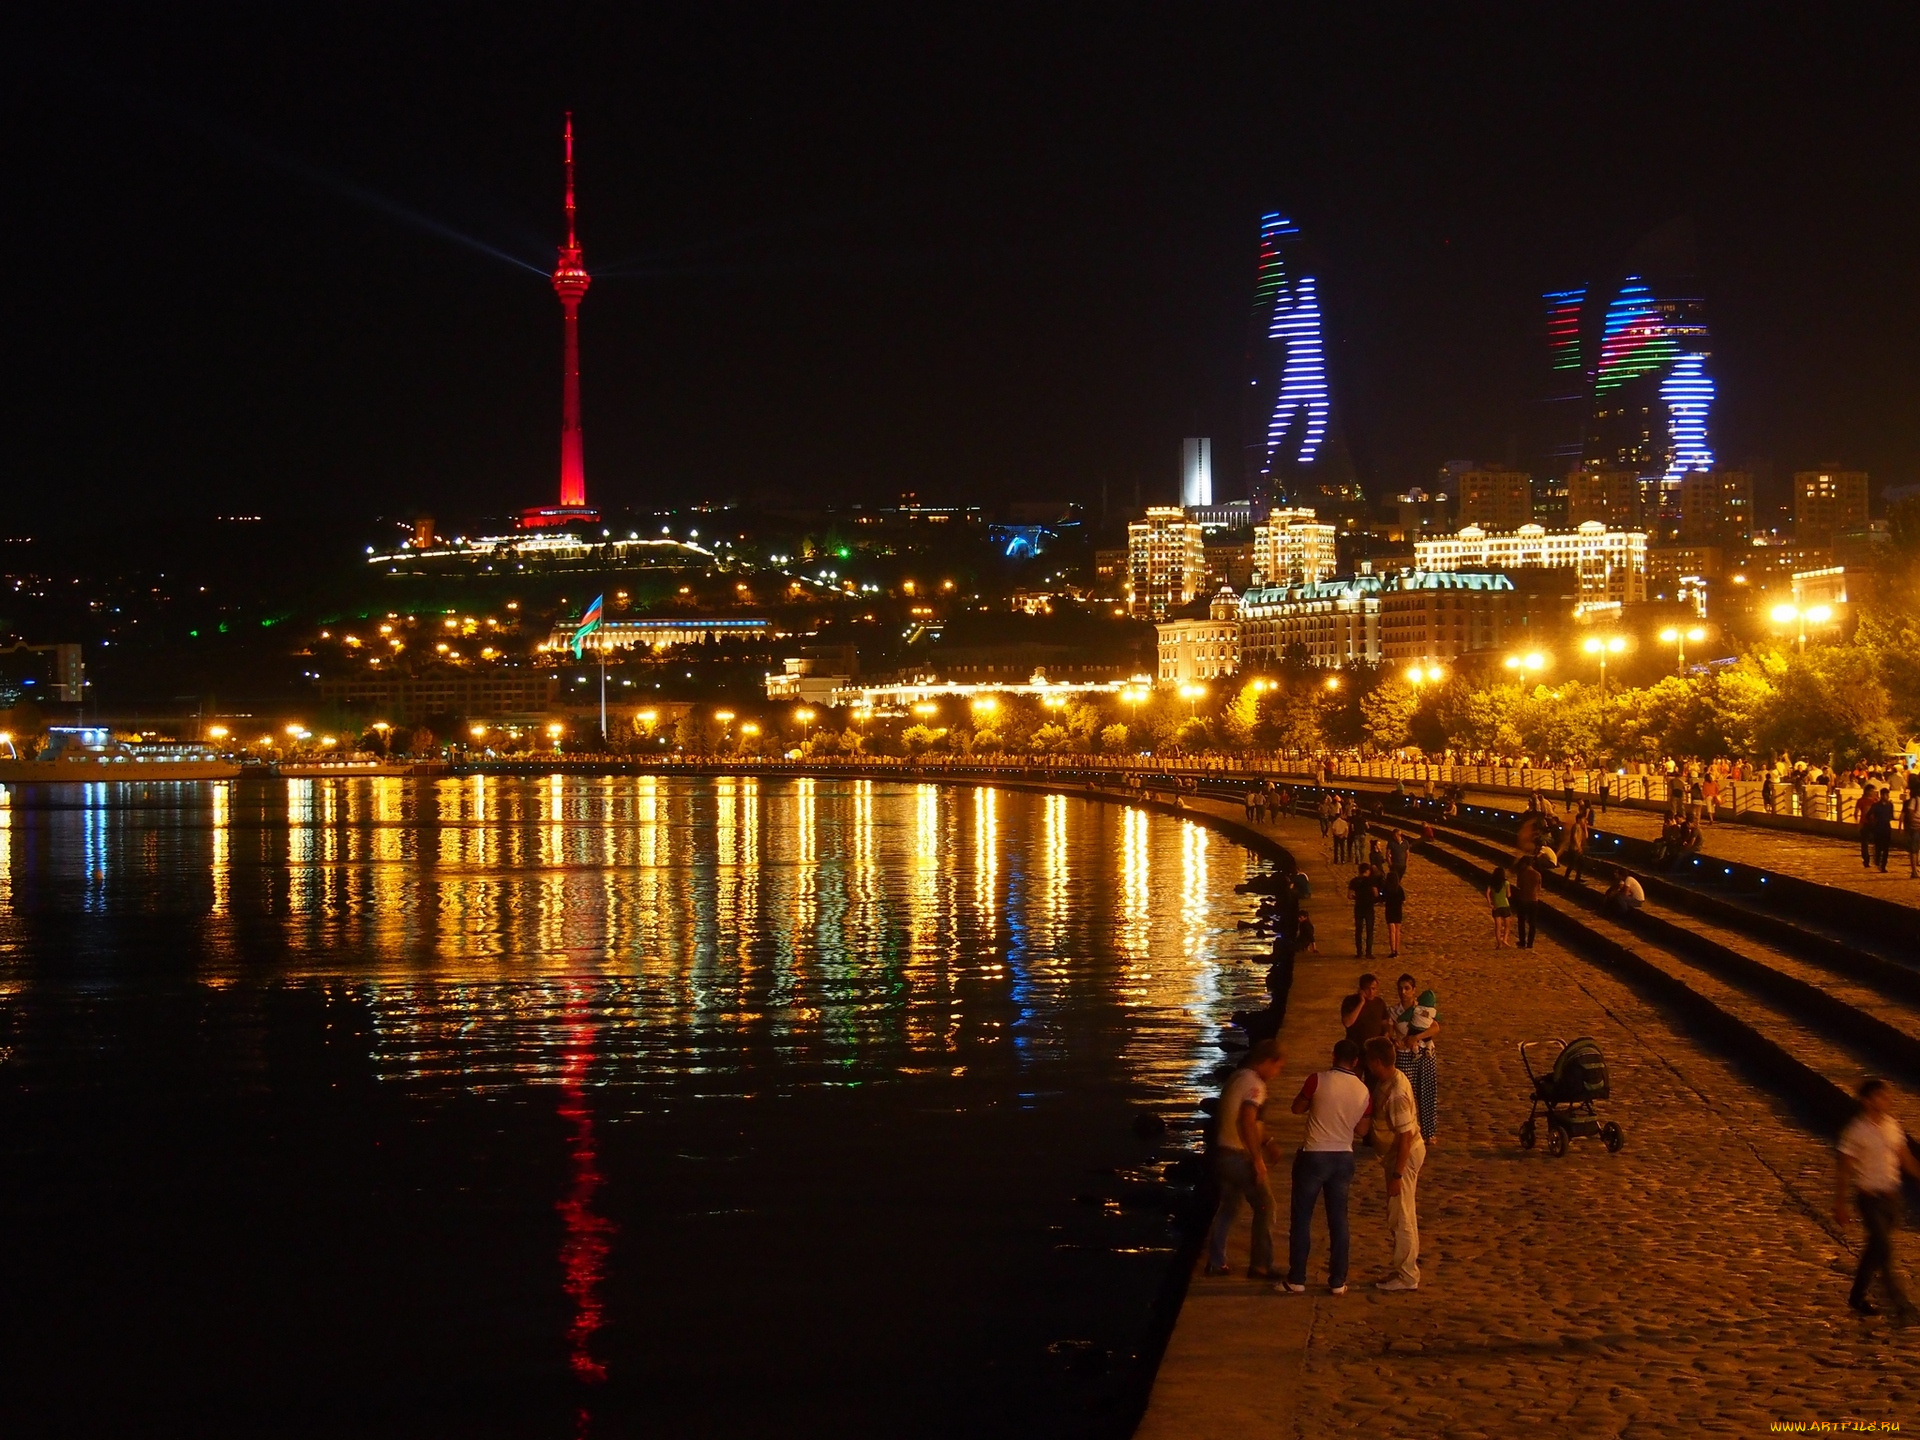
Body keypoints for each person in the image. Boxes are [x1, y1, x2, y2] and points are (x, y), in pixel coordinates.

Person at [1279, 1039, 1373, 1295]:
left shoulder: (1316, 1080)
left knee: (1302, 1218)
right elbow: (1363, 1129)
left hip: (1314, 1155)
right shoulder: (1364, 1091)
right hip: (1343, 1156)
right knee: (1339, 1219)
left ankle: (1297, 1278)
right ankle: (1338, 1281)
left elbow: (1296, 1108)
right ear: (1355, 1062)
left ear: (1333, 1056)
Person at [1836, 1077, 1920, 1318]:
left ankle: (1857, 1296)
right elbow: (1845, 1168)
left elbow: (1906, 1159)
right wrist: (1840, 1203)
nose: (1887, 1100)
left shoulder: (1892, 1126)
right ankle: (1901, 1304)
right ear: (1867, 1100)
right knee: (1883, 1247)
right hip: (1869, 1199)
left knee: (1874, 1250)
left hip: (1892, 1199)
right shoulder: (1856, 1131)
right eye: (1881, 1096)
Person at [1205, 1038, 1287, 1279]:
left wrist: (1269, 1142)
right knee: (1265, 1205)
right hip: (1236, 1156)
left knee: (1230, 1206)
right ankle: (1260, 1265)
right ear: (1268, 1062)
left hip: (1219, 1153)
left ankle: (1216, 1261)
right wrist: (1257, 1159)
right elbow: (1248, 1120)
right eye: (1278, 1067)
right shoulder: (1256, 1085)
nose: (1277, 1073)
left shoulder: (1237, 1077)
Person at [1362, 1036, 1425, 1291]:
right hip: (1398, 1155)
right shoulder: (1390, 1081)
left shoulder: (1396, 1091)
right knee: (1401, 1214)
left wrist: (1397, 1175)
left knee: (1402, 1216)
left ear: (1377, 1062)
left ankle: (1407, 1275)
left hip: (1403, 1157)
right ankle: (1403, 1269)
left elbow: (1405, 1135)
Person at [1390, 974, 1441, 1145]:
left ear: (1414, 991)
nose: (1403, 992)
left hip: (1425, 1053)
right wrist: (1394, 1041)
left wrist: (1417, 1037)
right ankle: (1408, 1130)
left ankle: (1429, 1132)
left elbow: (1435, 1027)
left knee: (1427, 1091)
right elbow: (1390, 1031)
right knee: (1406, 1093)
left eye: (1407, 988)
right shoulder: (1394, 1012)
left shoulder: (1423, 1008)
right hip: (1404, 1055)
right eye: (1400, 988)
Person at [1340, 973, 1391, 1045]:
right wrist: (1361, 1003)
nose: (1371, 992)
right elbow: (1347, 1023)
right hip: (1355, 1045)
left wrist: (1386, 1034)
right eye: (1368, 989)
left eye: (1373, 989)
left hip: (1374, 1047)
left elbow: (1384, 1021)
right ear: (1361, 989)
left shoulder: (1379, 1002)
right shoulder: (1350, 1001)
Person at [1512, 854, 1544, 950]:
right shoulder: (1538, 874)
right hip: (1534, 900)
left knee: (1521, 922)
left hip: (1523, 899)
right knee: (1532, 923)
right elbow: (1539, 888)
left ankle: (1522, 941)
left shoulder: (1521, 873)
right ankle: (1530, 943)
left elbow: (1519, 885)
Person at [1868, 787, 1896, 874]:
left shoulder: (1890, 805)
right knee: (1878, 847)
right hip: (1878, 828)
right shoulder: (1876, 805)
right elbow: (1869, 815)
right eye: (1886, 795)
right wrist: (1873, 821)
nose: (1887, 796)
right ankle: (1877, 860)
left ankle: (1883, 865)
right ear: (1882, 795)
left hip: (1886, 827)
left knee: (1886, 849)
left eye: (1888, 795)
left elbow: (1891, 816)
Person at [1486, 864, 1514, 948]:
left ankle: (1499, 944)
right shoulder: (1506, 883)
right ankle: (1505, 939)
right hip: (1505, 905)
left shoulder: (1492, 883)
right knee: (1507, 924)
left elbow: (1487, 893)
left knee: (1498, 926)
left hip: (1496, 906)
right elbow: (1508, 895)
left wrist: (1490, 903)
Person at [1381, 871, 1406, 957]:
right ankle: (1397, 949)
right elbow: (1403, 899)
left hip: (1389, 910)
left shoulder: (1386, 888)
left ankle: (1393, 950)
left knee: (1392, 931)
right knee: (1397, 931)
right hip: (1398, 910)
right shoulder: (1399, 889)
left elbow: (1382, 897)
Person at [1903, 791, 1920, 880]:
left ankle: (1916, 868)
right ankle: (1914, 870)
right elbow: (1910, 812)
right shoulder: (1915, 800)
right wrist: (1914, 822)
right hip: (1916, 828)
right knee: (1914, 849)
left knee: (1916, 849)